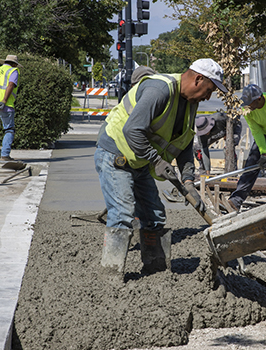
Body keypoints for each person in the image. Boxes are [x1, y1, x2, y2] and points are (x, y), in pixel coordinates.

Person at [95, 58, 227, 280]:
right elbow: (133, 130)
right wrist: (156, 161)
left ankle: (156, 275)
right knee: (123, 214)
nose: (208, 97)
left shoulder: (191, 103)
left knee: (154, 216)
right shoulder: (160, 89)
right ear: (198, 79)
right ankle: (110, 276)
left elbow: (184, 143)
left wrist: (187, 181)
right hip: (115, 153)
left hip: (139, 159)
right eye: (210, 90)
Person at [227, 84, 266, 211]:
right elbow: (256, 131)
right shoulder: (248, 111)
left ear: (259, 99)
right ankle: (236, 201)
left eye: (250, 102)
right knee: (251, 165)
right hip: (264, 136)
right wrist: (263, 153)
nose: (247, 105)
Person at [0, 55, 22, 161]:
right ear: (14, 64)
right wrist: (4, 100)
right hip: (5, 104)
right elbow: (11, 85)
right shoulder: (13, 71)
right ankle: (5, 155)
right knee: (9, 129)